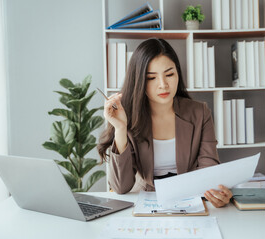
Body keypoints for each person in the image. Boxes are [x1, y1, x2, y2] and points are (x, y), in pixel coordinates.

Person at [98, 38, 232, 208]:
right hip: (145, 204)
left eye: (169, 74)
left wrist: (216, 194)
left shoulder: (199, 112)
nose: (163, 85)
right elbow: (120, 187)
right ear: (139, 81)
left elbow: (208, 171)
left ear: (178, 74)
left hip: (189, 201)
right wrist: (120, 128)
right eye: (151, 78)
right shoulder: (127, 116)